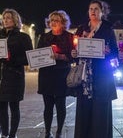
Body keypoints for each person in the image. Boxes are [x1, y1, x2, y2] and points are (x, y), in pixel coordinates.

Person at [71, 0, 118, 138]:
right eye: (91, 9)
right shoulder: (81, 28)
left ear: (102, 12)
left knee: (100, 111)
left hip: (101, 76)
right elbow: (75, 49)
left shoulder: (108, 29)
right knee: (84, 110)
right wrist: (74, 54)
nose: (93, 11)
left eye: (96, 9)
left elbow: (115, 52)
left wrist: (108, 52)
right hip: (84, 77)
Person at [37, 10, 74, 138]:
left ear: (63, 23)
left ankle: (58, 132)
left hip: (61, 75)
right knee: (47, 106)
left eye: (56, 20)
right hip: (46, 75)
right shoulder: (44, 37)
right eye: (51, 20)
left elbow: (73, 56)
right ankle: (47, 131)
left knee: (60, 105)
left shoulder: (69, 37)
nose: (53, 23)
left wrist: (60, 56)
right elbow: (37, 54)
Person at [0, 8, 33, 138]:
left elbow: (28, 58)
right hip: (1, 77)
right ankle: (4, 133)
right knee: (1, 107)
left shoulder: (23, 37)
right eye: (4, 18)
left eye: (8, 17)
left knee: (14, 106)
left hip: (14, 76)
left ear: (15, 20)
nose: (5, 20)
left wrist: (11, 58)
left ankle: (13, 135)